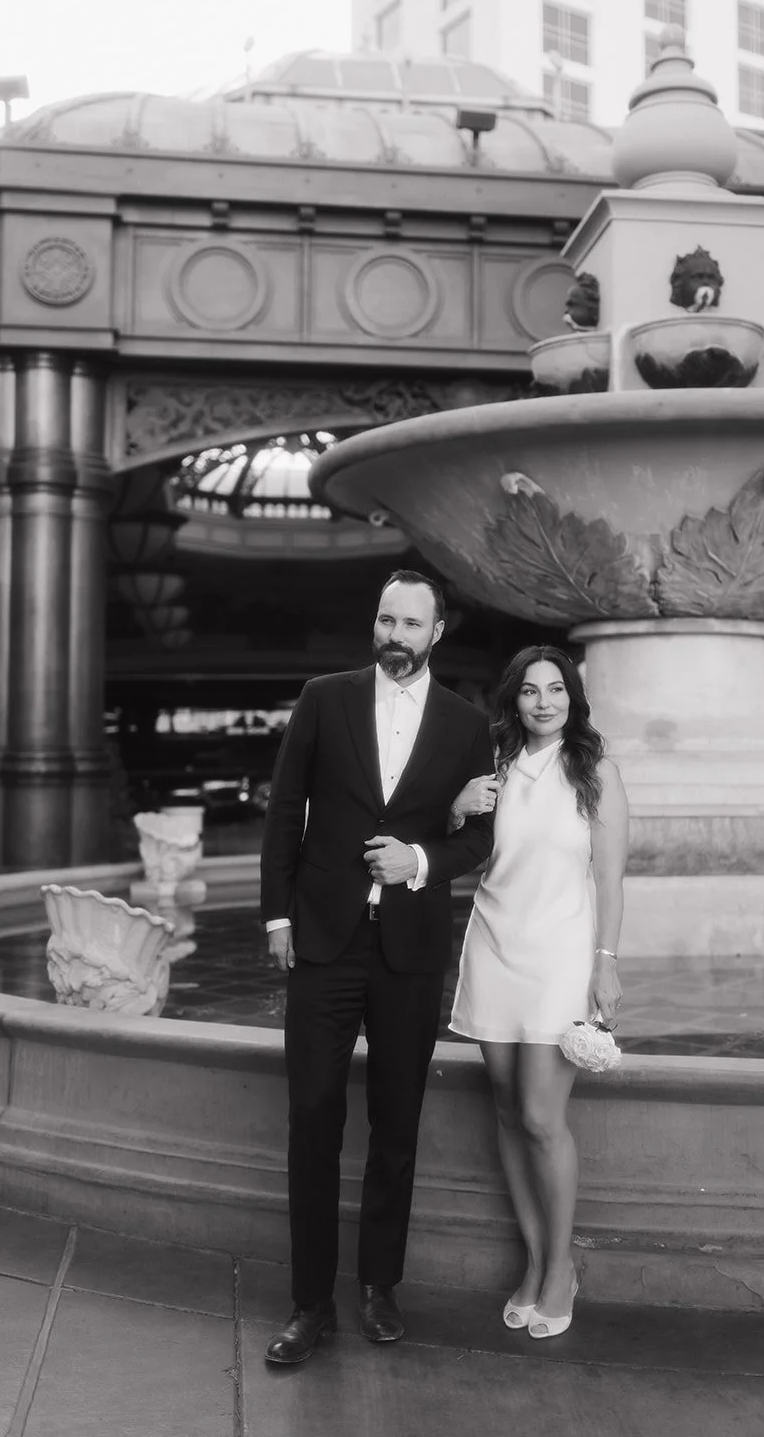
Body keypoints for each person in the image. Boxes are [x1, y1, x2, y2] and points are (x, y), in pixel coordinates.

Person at [260, 569, 496, 1368]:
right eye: (384, 621)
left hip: (408, 951)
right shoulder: (324, 696)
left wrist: (421, 859)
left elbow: (477, 839)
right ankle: (308, 1303)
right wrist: (278, 915)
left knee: (396, 1126)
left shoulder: (469, 726)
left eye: (409, 624)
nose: (394, 635)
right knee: (313, 1123)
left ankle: (378, 1288)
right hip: (323, 943)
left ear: (437, 633)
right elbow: (284, 806)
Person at [449, 645, 628, 1341]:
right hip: (493, 947)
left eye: (556, 689)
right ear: (513, 700)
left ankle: (561, 1270)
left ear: (571, 699)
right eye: (530, 691)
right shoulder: (490, 768)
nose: (544, 701)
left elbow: (609, 879)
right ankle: (532, 1263)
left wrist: (605, 962)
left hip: (560, 954)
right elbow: (457, 852)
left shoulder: (595, 771)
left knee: (539, 1116)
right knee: (503, 1109)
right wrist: (454, 807)